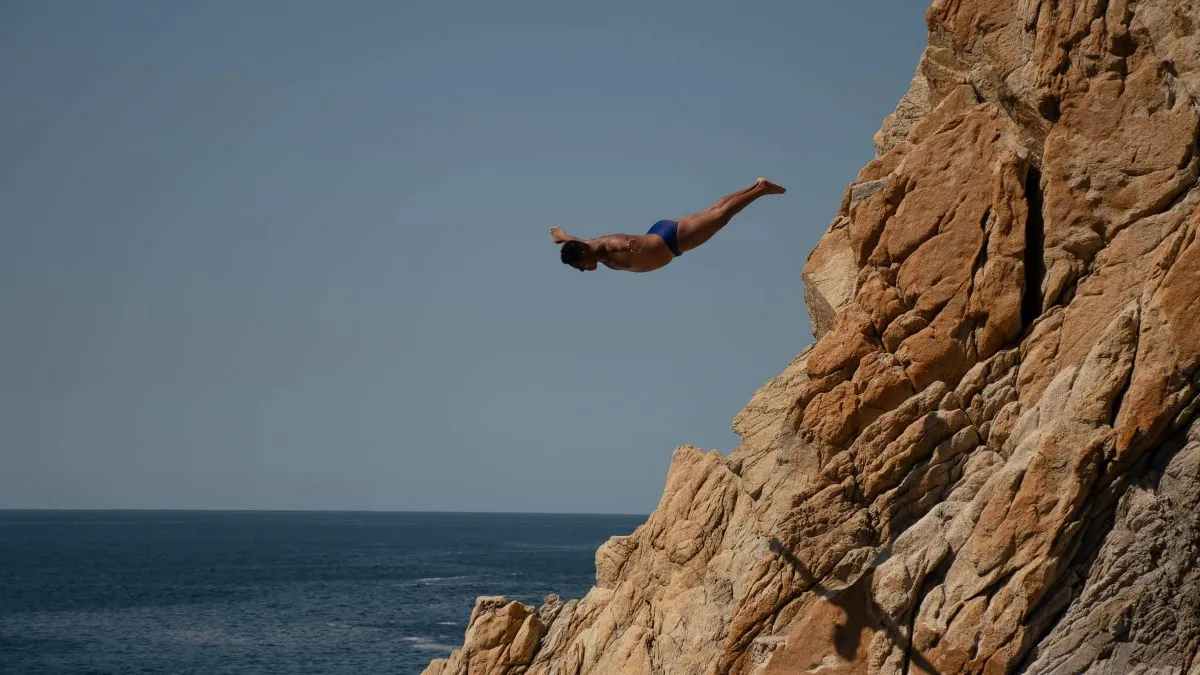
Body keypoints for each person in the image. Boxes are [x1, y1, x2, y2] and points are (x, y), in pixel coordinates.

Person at [549, 177, 786, 273]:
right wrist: (565, 237)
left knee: (720, 216)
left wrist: (634, 246)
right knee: (713, 213)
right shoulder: (592, 249)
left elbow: (622, 242)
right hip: (664, 232)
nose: (582, 270)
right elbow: (581, 245)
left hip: (672, 240)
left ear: (583, 254)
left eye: (579, 266)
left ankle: (760, 190)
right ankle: (756, 186)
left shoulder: (611, 247)